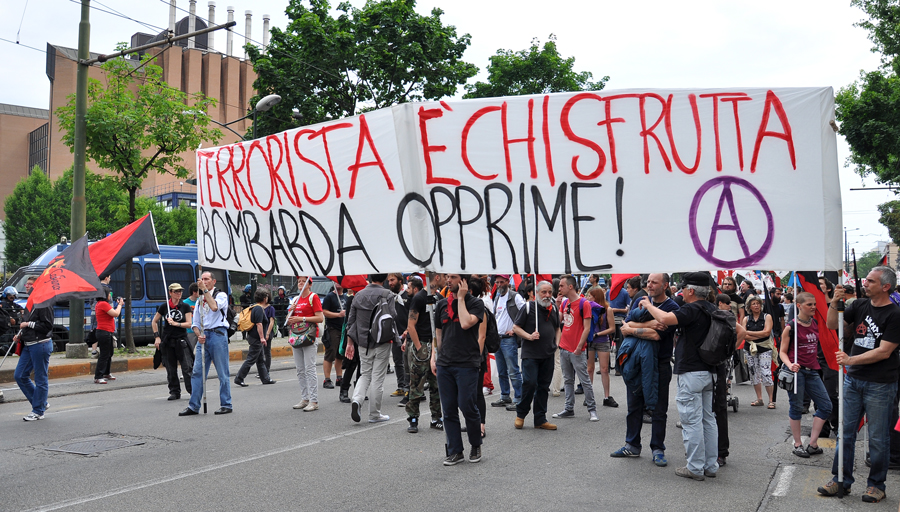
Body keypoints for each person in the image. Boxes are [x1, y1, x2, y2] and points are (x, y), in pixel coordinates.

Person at [640, 272, 746, 481]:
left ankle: (695, 467)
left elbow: (664, 318)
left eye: (683, 288)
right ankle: (710, 465)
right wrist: (724, 353)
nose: (681, 291)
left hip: (691, 372)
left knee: (691, 422)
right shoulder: (713, 308)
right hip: (710, 371)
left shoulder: (691, 309)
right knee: (708, 420)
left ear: (690, 290)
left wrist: (647, 304)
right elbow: (740, 330)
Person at [818, 266, 900, 502]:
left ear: (885, 286)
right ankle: (840, 479)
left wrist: (850, 360)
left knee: (878, 438)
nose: (865, 283)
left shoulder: (895, 314)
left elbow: (884, 351)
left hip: (880, 384)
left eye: (871, 281)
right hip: (853, 381)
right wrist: (834, 302)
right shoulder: (859, 305)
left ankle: (876, 485)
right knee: (845, 433)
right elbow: (832, 324)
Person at [612, 273, 680, 467]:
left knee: (658, 409)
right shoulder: (639, 300)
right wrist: (649, 324)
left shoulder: (671, 307)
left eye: (654, 282)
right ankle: (632, 445)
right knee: (634, 407)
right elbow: (625, 324)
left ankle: (658, 448)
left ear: (665, 285)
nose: (649, 285)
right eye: (648, 281)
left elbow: (656, 335)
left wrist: (633, 329)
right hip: (636, 363)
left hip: (660, 364)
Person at [432, 274, 485, 466]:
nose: (448, 280)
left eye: (453, 277)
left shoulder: (476, 303)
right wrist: (434, 357)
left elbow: (465, 323)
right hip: (445, 363)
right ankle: (455, 451)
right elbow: (438, 334)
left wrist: (461, 298)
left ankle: (475, 444)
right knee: (448, 410)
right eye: (447, 277)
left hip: (467, 364)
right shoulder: (441, 305)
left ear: (464, 281)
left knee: (467, 405)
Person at [779, 291, 831, 458]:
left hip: (812, 371)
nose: (813, 307)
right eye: (809, 304)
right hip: (796, 372)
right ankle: (797, 444)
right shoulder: (790, 327)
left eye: (814, 304)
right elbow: (782, 352)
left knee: (826, 406)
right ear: (799, 306)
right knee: (796, 407)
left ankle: (813, 444)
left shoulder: (815, 323)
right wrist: (790, 365)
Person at [180, 272, 233, 416]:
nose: (203, 281)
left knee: (222, 372)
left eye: (207, 279)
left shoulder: (220, 295)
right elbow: (195, 322)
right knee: (197, 372)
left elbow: (214, 307)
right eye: (202, 279)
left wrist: (204, 290)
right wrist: (198, 334)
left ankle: (226, 404)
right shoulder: (199, 300)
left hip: (217, 334)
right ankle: (193, 405)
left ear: (213, 281)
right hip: (203, 336)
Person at [347, 274, 397, 423]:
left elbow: (351, 321)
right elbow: (393, 316)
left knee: (365, 374)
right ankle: (374, 414)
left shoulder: (358, 295)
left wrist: (350, 342)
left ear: (369, 278)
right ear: (384, 279)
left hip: (363, 342)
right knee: (377, 378)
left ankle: (357, 400)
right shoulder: (387, 294)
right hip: (382, 340)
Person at [512, 280, 559, 430]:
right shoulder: (528, 307)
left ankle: (540, 418)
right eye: (544, 292)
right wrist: (529, 336)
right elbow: (516, 327)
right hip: (531, 354)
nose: (547, 295)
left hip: (548, 353)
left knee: (543, 387)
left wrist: (556, 343)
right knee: (530, 383)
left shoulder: (553, 308)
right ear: (536, 293)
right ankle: (521, 414)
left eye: (550, 292)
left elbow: (557, 328)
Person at [553, 274, 599, 422]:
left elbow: (587, 328)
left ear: (570, 286)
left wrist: (579, 347)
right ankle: (568, 408)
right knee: (568, 380)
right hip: (564, 347)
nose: (559, 288)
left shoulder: (584, 303)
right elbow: (558, 321)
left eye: (562, 286)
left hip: (577, 349)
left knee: (584, 380)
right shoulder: (565, 303)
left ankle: (592, 410)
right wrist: (557, 305)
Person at [404, 276, 442, 433]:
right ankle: (413, 418)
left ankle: (436, 418)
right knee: (417, 384)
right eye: (444, 276)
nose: (446, 279)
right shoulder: (419, 297)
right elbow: (411, 325)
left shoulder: (439, 298)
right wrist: (419, 347)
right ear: (437, 277)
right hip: (422, 344)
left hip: (436, 345)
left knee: (436, 385)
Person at [288, 276, 324, 411]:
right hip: (296, 336)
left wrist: (302, 318)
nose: (301, 283)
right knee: (300, 369)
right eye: (299, 281)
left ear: (309, 284)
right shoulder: (295, 299)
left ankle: (314, 401)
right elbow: (288, 320)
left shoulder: (313, 297)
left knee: (310, 368)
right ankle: (304, 398)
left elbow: (320, 317)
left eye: (304, 281)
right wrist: (291, 311)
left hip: (309, 336)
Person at [14, 299, 54, 421]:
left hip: (40, 344)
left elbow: (47, 326)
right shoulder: (30, 303)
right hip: (29, 344)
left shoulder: (44, 304)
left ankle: (38, 410)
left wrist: (28, 324)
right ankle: (41, 402)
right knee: (20, 375)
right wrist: (21, 334)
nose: (27, 289)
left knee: (40, 377)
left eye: (29, 288)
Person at [152, 283, 193, 399]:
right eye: (176, 291)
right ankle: (174, 391)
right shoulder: (164, 307)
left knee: (187, 367)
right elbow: (154, 321)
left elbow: (189, 323)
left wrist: (176, 324)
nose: (179, 293)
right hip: (168, 341)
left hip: (181, 340)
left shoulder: (185, 306)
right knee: (170, 368)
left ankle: (192, 391)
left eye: (180, 291)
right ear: (170, 293)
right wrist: (157, 337)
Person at [490, 274, 526, 411]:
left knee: (513, 371)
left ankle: (519, 398)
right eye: (497, 282)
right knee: (502, 371)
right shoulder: (497, 297)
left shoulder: (515, 296)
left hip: (509, 340)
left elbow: (525, 312)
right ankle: (505, 396)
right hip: (498, 339)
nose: (499, 284)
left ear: (507, 281)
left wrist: (515, 329)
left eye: (501, 282)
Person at [234, 290, 277, 388]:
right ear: (265, 299)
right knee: (251, 359)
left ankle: (265, 378)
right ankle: (239, 377)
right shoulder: (258, 309)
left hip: (254, 337)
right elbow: (259, 324)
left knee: (260, 359)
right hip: (256, 338)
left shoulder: (254, 307)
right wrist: (262, 338)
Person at [741, 295, 775, 409]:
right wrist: (757, 334)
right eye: (754, 304)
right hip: (750, 349)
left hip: (765, 347)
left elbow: (767, 332)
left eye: (758, 303)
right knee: (753, 372)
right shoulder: (746, 319)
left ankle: (771, 400)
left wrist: (749, 333)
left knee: (766, 372)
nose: (756, 306)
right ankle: (759, 398)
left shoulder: (767, 317)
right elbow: (743, 334)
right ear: (749, 306)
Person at [586, 286, 617, 408]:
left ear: (596, 297)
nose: (588, 298)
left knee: (604, 369)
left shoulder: (607, 309)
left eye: (590, 296)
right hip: (590, 341)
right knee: (589, 369)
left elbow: (612, 328)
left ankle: (607, 396)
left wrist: (598, 334)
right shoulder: (588, 308)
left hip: (602, 341)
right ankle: (589, 396)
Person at [321, 282, 349, 390]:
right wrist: (338, 314)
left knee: (340, 354)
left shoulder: (345, 297)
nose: (338, 284)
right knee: (330, 354)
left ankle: (339, 377)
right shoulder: (329, 297)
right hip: (332, 329)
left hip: (343, 329)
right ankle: (327, 379)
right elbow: (324, 312)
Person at [387, 273, 410, 402]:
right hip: (395, 334)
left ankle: (409, 388)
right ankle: (401, 386)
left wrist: (408, 330)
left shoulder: (408, 294)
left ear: (400, 281)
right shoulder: (390, 296)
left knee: (408, 363)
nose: (390, 283)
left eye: (392, 280)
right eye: (389, 280)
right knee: (397, 361)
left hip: (408, 334)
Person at [94, 291, 123, 384]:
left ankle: (106, 372)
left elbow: (111, 312)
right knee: (104, 354)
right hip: (104, 332)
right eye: (109, 294)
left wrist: (118, 305)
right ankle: (98, 376)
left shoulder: (101, 304)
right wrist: (120, 305)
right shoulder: (103, 304)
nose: (110, 295)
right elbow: (116, 313)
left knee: (109, 353)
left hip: (107, 332)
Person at [182, 283, 200, 351]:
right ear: (194, 292)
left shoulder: (200, 301)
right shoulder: (185, 303)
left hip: (200, 329)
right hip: (190, 330)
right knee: (189, 350)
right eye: (199, 291)